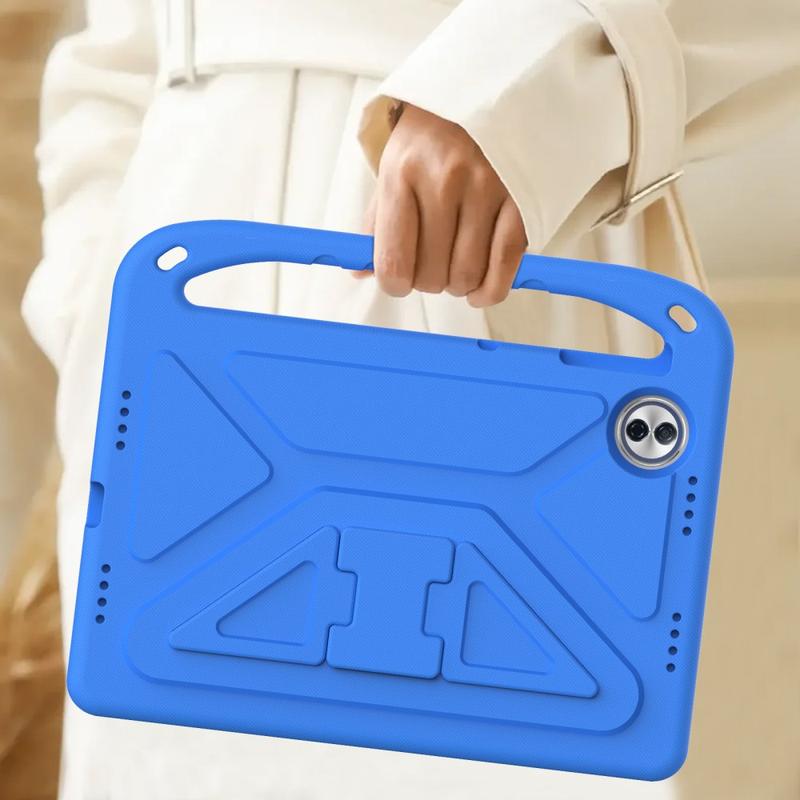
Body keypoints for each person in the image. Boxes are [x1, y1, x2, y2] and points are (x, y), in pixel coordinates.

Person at [22, 1, 799, 798]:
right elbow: (113, 56)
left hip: (486, 255)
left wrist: (511, 91)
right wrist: (91, 298)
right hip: (174, 351)